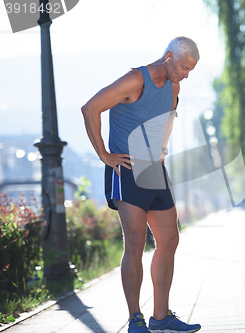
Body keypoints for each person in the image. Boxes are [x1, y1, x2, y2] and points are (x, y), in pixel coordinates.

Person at [81, 37, 201, 333]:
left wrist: (161, 152)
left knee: (170, 239)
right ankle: (135, 318)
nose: (185, 75)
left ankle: (161, 316)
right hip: (127, 170)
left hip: (153, 169)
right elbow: (90, 108)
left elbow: (167, 119)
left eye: (190, 71)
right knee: (134, 243)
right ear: (169, 56)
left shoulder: (174, 86)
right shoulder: (136, 80)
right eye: (184, 67)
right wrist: (104, 156)